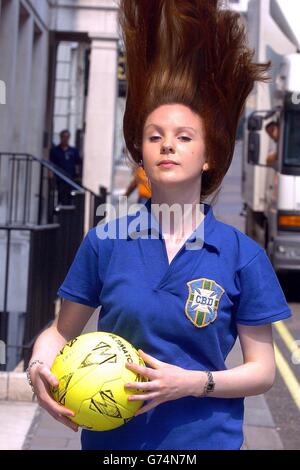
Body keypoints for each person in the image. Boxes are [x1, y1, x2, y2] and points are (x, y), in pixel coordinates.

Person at [27, 0, 292, 450]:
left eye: (184, 137)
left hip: (206, 443)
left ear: (208, 156)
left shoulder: (243, 256)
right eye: (155, 137)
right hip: (114, 447)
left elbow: (263, 370)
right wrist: (38, 367)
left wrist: (188, 383)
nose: (168, 145)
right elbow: (60, 332)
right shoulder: (106, 241)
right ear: (142, 154)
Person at [49, 130, 82, 204]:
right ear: (61, 138)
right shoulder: (54, 150)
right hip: (59, 178)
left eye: (67, 137)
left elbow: (78, 163)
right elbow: (51, 164)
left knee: (70, 198)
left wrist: (79, 176)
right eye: (64, 137)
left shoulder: (74, 151)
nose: (65, 139)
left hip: (71, 178)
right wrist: (51, 177)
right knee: (60, 197)